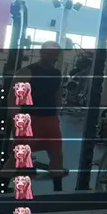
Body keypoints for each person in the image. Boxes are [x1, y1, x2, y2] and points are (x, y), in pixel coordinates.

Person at [13, 41, 67, 190]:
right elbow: (15, 99)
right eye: (49, 53)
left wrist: (57, 113)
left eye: (55, 54)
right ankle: (18, 191)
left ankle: (58, 191)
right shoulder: (27, 71)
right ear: (41, 53)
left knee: (57, 155)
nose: (53, 57)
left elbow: (57, 94)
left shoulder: (57, 74)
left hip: (50, 118)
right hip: (30, 118)